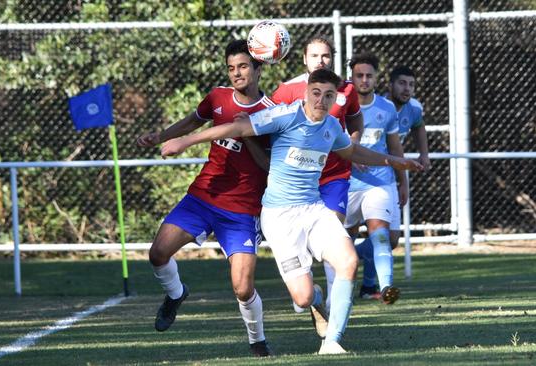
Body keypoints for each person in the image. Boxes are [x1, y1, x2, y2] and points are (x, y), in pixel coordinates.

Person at [160, 69, 423, 354]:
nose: (321, 100)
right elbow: (235, 128)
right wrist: (184, 141)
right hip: (280, 218)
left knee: (347, 261)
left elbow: (353, 152)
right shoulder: (285, 115)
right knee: (304, 296)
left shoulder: (333, 127)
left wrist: (394, 161)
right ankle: (316, 299)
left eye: (328, 95)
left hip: (313, 210)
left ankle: (331, 342)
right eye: (316, 93)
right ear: (307, 91)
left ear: (335, 98)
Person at [136, 40, 274, 357]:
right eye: (231, 67)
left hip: (241, 211)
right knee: (158, 253)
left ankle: (258, 342)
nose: (237, 73)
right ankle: (175, 294)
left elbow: (269, 167)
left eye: (243, 66)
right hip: (203, 197)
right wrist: (160, 136)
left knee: (242, 287)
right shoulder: (218, 97)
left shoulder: (271, 113)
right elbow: (192, 121)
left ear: (258, 68)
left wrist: (244, 132)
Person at [271, 35, 364, 313]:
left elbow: (356, 118)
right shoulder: (287, 91)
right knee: (302, 244)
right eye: (314, 56)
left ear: (332, 59)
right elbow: (269, 126)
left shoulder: (346, 89)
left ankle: (337, 309)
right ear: (304, 59)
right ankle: (310, 293)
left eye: (325, 56)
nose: (320, 61)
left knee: (334, 235)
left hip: (333, 177)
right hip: (298, 183)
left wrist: (353, 143)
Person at [358, 65, 432, 300]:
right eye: (402, 83)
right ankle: (369, 283)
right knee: (372, 235)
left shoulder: (414, 108)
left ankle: (367, 284)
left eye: (411, 84)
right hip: (356, 178)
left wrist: (424, 154)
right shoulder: (376, 105)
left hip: (386, 176)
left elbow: (419, 127)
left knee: (390, 239)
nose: (407, 89)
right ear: (389, 85)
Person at [341, 51, 406, 304]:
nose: (364, 80)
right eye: (360, 75)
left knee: (382, 236)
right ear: (352, 77)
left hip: (380, 183)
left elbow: (395, 148)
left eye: (369, 75)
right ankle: (345, 289)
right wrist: (350, 156)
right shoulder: (340, 106)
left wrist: (403, 182)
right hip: (347, 185)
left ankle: (387, 286)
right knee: (346, 242)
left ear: (376, 78)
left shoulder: (387, 108)